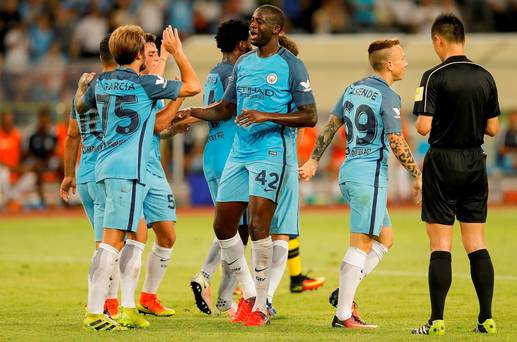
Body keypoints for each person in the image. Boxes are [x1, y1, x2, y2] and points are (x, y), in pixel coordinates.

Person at [178, 5, 317, 327]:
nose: (253, 26)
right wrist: (196, 112)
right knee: (224, 227)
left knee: (257, 227)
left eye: (260, 22)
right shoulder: (243, 63)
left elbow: (309, 115)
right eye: (252, 21)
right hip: (239, 154)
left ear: (277, 30)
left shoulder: (291, 65)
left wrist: (267, 116)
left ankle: (260, 305)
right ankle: (252, 294)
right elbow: (226, 108)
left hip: (271, 152)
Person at [75, 24, 200, 331]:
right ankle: (95, 312)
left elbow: (82, 105)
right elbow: (193, 85)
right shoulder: (146, 84)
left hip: (102, 166)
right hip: (128, 169)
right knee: (112, 244)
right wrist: (179, 53)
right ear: (137, 53)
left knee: (123, 241)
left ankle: (125, 307)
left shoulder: (100, 83)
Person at [299, 39, 422, 329]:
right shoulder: (389, 96)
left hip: (350, 171)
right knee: (361, 244)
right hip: (370, 175)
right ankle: (343, 314)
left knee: (386, 238)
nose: (405, 62)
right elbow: (395, 139)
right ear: (389, 64)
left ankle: (345, 292)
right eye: (402, 58)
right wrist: (417, 174)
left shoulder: (352, 88)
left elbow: (330, 126)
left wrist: (315, 159)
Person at [411, 14, 500, 335]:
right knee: (476, 242)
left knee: (440, 245)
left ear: (438, 40)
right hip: (475, 161)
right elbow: (492, 127)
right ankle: (486, 318)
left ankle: (436, 321)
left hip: (443, 161)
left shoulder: (433, 75)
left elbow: (423, 126)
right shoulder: (485, 75)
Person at [60, 34, 120, 320]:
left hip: (84, 174)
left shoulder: (83, 89)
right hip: (109, 173)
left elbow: (73, 135)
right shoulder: (120, 88)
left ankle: (101, 303)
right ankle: (105, 305)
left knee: (101, 243)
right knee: (114, 244)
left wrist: (68, 174)